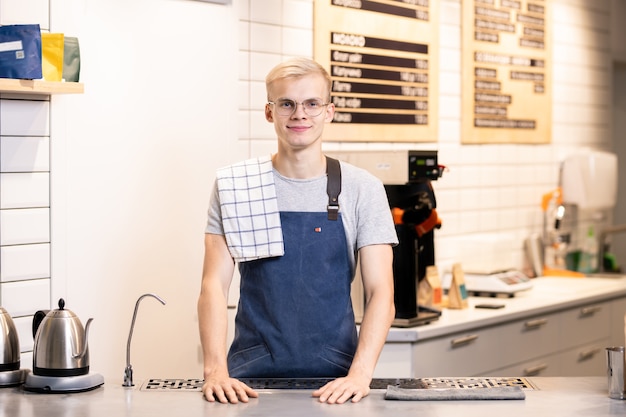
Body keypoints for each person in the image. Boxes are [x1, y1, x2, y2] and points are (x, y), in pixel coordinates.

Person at [197, 57, 398, 405]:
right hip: (247, 384)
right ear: (268, 112)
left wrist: (360, 374)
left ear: (329, 111)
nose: (299, 114)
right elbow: (213, 285)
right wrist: (215, 370)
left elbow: (381, 292)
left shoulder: (362, 188)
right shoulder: (236, 186)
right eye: (287, 103)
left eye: (312, 104)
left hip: (337, 384)